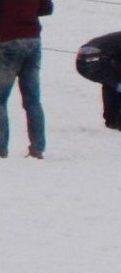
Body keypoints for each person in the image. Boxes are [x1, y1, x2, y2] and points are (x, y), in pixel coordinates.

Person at [0, 0, 53, 159]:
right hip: (33, 40)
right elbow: (47, 8)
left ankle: (1, 149)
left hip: (7, 39)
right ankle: (37, 149)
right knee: (32, 99)